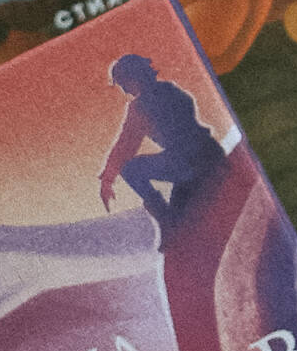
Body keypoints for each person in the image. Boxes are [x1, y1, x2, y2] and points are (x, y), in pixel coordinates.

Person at [97, 50, 228, 222]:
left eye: (123, 82)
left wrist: (107, 180)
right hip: (210, 151)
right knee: (180, 211)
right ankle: (173, 213)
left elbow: (125, 147)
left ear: (133, 77)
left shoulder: (141, 106)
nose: (123, 89)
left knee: (130, 169)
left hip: (189, 164)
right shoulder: (170, 88)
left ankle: (164, 217)